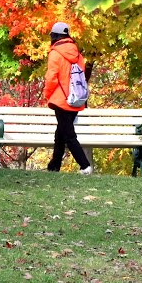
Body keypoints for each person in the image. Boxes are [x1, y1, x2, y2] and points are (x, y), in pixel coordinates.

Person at [43, 22, 92, 174]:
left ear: (55, 36)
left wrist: (47, 94)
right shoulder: (79, 55)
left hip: (61, 100)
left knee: (69, 136)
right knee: (61, 133)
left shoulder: (55, 54)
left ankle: (85, 166)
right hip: (76, 99)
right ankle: (54, 166)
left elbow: (51, 78)